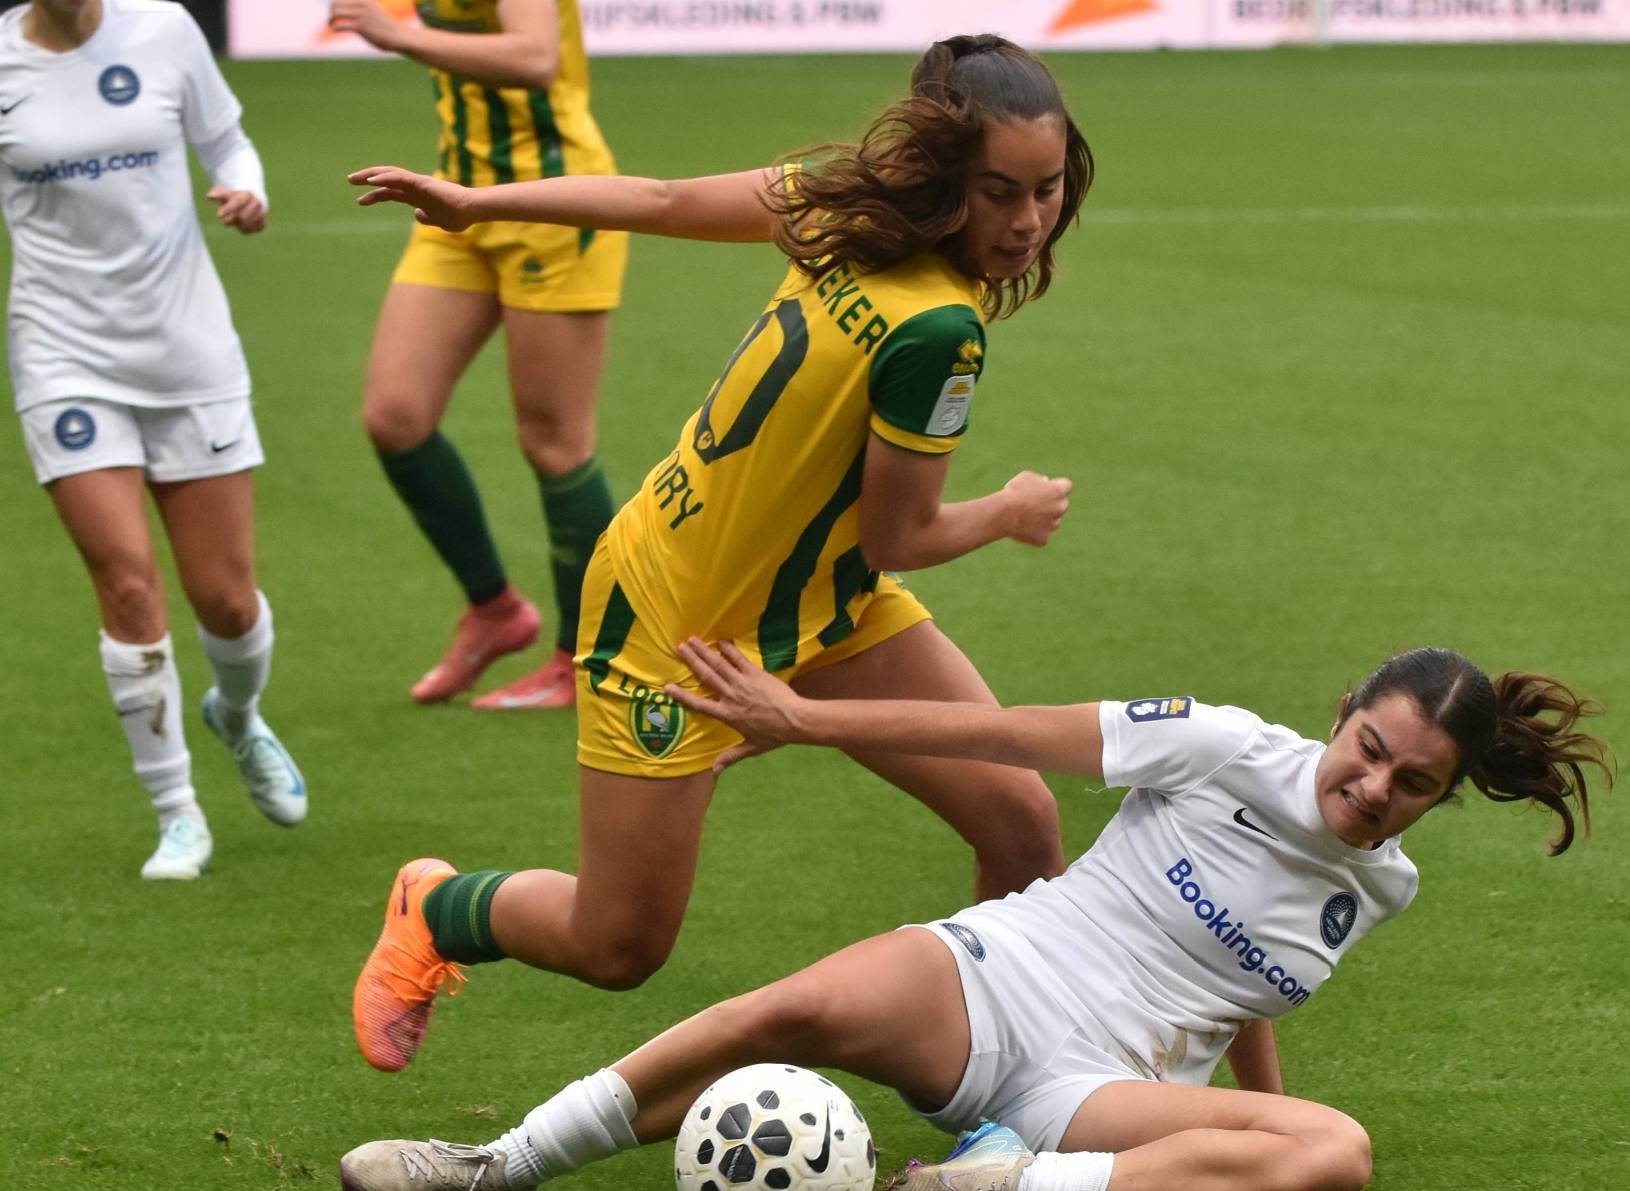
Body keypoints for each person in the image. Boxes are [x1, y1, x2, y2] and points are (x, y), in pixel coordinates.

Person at [342, 35, 1093, 1073]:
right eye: (998, 191)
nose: (1025, 221)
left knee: (1019, 822)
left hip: (827, 600)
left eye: (1047, 189)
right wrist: (1008, 509)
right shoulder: (936, 329)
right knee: (618, 944)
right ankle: (437, 905)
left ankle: (1003, 1081)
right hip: (675, 615)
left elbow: (652, 201)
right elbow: (902, 533)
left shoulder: (837, 201)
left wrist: (485, 203)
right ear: (938, 175)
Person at [339, 640, 1612, 1191]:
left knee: (1333, 1150)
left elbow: (1251, 1002)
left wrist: (1247, 1104)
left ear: (1442, 799)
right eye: (1370, 747)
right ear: (1343, 713)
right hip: (1008, 970)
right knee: (788, 1011)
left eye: (1411, 783)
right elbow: (1009, 734)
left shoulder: (1384, 887)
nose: (1373, 786)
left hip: (1102, 1091)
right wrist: (807, 718)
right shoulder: (1220, 744)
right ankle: (496, 1166)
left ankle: (992, 1183)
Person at [1, 0, 306, 880]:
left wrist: (248, 190)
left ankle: (239, 718)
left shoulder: (164, 28)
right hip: (61, 355)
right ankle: (177, 813)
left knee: (227, 600)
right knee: (126, 582)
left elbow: (229, 142)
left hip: (187, 352)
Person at [326, 0, 629, 710]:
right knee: (395, 416)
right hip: (453, 201)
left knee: (555, 444)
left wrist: (398, 35)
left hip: (552, 200)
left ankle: (586, 658)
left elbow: (533, 58)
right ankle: (494, 611)